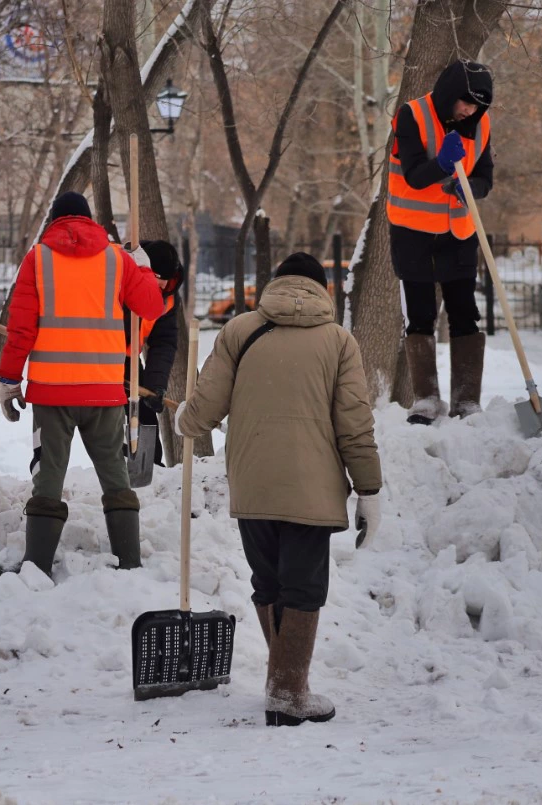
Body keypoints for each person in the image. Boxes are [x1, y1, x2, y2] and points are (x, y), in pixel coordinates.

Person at [175, 253, 383, 727]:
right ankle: (288, 691)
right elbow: (354, 425)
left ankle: (283, 682)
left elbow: (205, 408)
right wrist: (368, 488)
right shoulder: (338, 341)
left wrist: (184, 419)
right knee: (304, 589)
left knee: (268, 583)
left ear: (276, 284)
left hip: (254, 481)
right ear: (321, 288)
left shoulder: (239, 331)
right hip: (312, 489)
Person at [0, 191, 164, 579]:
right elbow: (152, 307)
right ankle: (129, 561)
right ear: (90, 222)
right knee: (115, 473)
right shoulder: (117, 260)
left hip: (52, 392)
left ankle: (36, 565)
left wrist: (8, 379)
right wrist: (144, 270)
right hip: (104, 389)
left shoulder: (38, 259)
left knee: (49, 474)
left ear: (54, 220)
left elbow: (21, 329)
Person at [388, 59, 493, 424]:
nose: (470, 110)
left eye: (478, 105)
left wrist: (470, 190)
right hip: (412, 232)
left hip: (457, 233)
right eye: (466, 101)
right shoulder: (412, 115)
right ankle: (427, 400)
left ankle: (466, 401)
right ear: (450, 93)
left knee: (465, 313)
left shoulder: (480, 125)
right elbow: (415, 177)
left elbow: (485, 177)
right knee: (420, 315)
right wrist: (443, 166)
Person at [124, 239, 185, 467]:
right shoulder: (122, 278)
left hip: (130, 362)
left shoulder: (168, 299)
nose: (160, 286)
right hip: (102, 356)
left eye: (164, 281)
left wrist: (154, 385)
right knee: (106, 423)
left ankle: (148, 468)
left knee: (144, 417)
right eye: (155, 279)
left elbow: (163, 342)